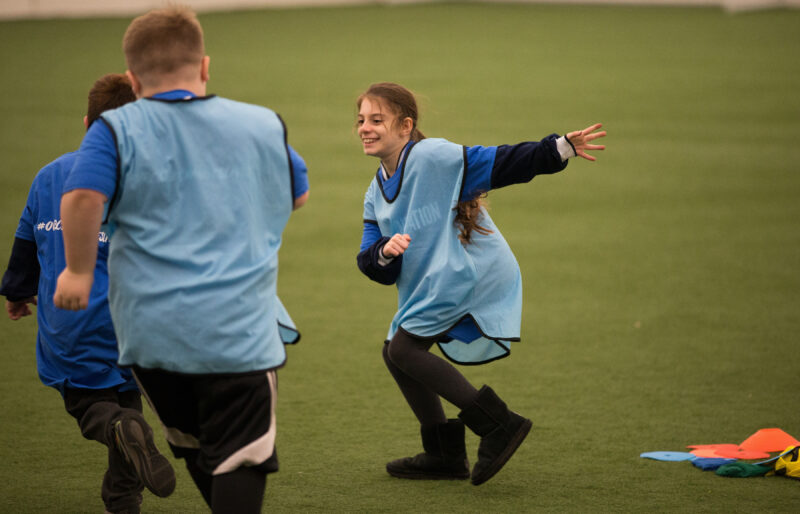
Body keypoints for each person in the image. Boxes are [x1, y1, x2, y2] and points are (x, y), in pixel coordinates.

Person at [52, 7, 309, 513]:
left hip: (151, 338)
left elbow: (82, 196)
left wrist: (78, 270)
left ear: (132, 76)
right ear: (205, 66)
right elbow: (297, 195)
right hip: (237, 333)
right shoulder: (260, 123)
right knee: (241, 458)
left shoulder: (114, 129)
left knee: (196, 444)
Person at [355, 82, 605, 485]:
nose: (365, 128)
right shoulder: (374, 192)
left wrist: (558, 148)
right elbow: (371, 261)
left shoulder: (432, 157)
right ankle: (444, 455)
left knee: (404, 348)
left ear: (405, 126)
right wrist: (384, 252)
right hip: (439, 280)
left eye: (376, 120)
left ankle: (499, 424)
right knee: (395, 352)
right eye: (361, 120)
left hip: (470, 273)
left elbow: (501, 162)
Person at [0, 73, 175, 514]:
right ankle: (123, 497)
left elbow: (25, 242)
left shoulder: (48, 177)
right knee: (126, 402)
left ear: (86, 124)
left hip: (68, 321)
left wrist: (17, 292)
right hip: (130, 327)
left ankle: (119, 440)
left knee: (92, 407)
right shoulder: (143, 183)